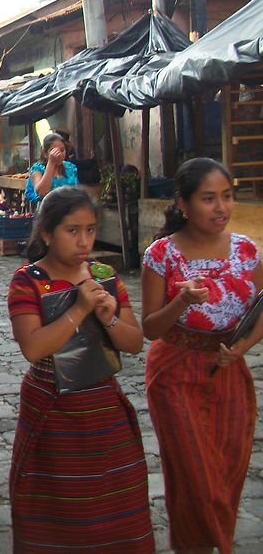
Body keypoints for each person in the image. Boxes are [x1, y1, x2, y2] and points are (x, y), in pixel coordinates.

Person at [7, 186, 153, 553]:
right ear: (46, 233)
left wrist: (109, 318)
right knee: (56, 505)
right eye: (72, 230)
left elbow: (134, 342)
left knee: (115, 506)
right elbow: (34, 347)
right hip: (52, 410)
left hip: (104, 409)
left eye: (90, 229)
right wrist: (79, 310)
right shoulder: (28, 281)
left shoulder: (104, 275)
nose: (84, 240)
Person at [141, 158, 263, 554]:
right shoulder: (162, 255)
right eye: (208, 198)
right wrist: (180, 300)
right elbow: (150, 328)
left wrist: (242, 347)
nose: (221, 207)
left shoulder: (247, 251)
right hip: (175, 371)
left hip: (230, 372)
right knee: (196, 477)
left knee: (228, 474)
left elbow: (262, 306)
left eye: (226, 197)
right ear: (183, 203)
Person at [25, 132, 78, 204]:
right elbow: (41, 192)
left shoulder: (70, 167)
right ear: (45, 153)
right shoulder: (38, 169)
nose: (59, 154)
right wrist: (51, 163)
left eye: (62, 150)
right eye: (54, 151)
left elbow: (76, 191)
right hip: (48, 210)